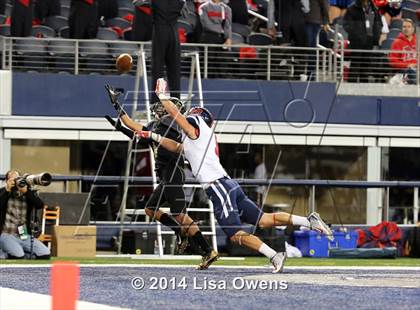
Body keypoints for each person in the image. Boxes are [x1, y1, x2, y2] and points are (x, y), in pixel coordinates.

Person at [137, 78, 334, 273]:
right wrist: (153, 136)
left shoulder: (196, 125)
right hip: (228, 184)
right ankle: (308, 221)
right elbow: (179, 147)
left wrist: (164, 98)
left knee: (234, 234)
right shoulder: (201, 137)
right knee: (264, 219)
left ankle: (274, 255)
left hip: (217, 186)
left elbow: (179, 118)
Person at [104, 85, 218, 270]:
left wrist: (147, 133)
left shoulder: (171, 123)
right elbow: (133, 127)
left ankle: (207, 251)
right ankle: (180, 232)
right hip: (166, 177)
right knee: (150, 209)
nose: (158, 108)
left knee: (180, 215)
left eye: (163, 106)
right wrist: (117, 107)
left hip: (174, 174)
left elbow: (169, 142)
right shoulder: (156, 126)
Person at [0, 170, 50, 259]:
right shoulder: (3, 191)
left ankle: (7, 254)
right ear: (7, 181)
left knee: (45, 254)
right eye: (13, 179)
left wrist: (27, 191)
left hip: (23, 234)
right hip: (6, 233)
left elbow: (40, 205)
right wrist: (7, 190)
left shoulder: (26, 192)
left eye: (18, 178)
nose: (16, 181)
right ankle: (7, 252)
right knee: (18, 255)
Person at [150, 0, 184, 104]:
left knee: (158, 69)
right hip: (174, 33)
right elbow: (185, 13)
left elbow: (137, 2)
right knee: (174, 70)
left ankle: (157, 102)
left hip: (160, 31)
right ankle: (176, 103)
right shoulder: (181, 1)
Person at [343, 0, 382, 82]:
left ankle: (364, 88)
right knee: (355, 64)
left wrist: (376, 35)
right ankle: (351, 88)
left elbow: (379, 23)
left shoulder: (374, 8)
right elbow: (346, 24)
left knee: (366, 65)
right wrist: (357, 35)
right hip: (356, 41)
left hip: (370, 41)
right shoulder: (352, 8)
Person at [389, 18, 417, 85]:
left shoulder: (418, 41)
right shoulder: (396, 42)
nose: (406, 29)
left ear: (413, 29)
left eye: (409, 27)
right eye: (404, 27)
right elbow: (393, 62)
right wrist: (407, 65)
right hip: (403, 71)